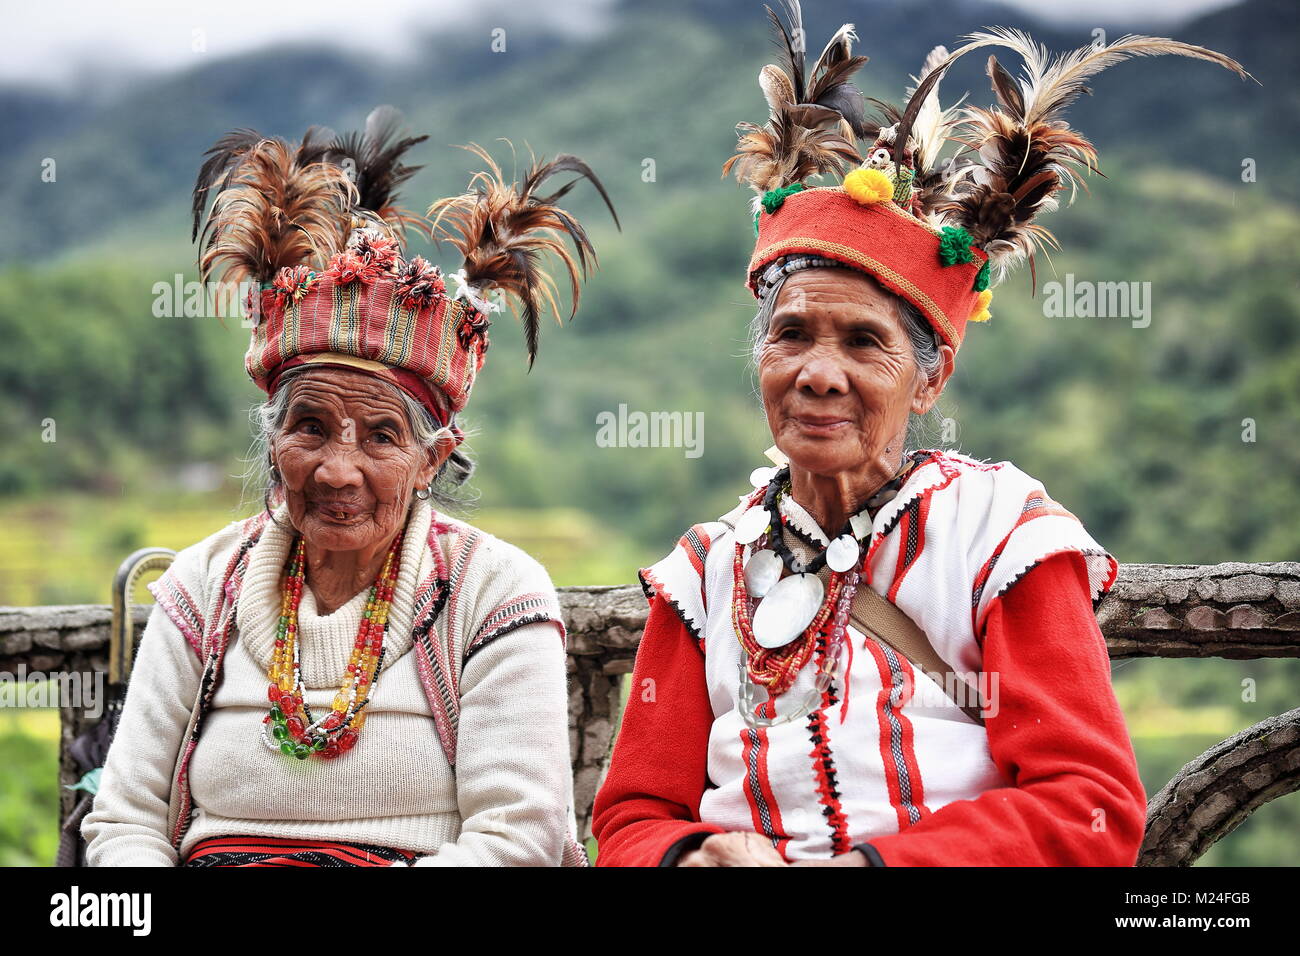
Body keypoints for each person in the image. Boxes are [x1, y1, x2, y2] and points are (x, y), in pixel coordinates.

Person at [592, 6, 1252, 866]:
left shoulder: (1000, 535)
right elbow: (634, 816)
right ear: (760, 361)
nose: (818, 373)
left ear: (930, 378)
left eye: (865, 343)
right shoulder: (707, 569)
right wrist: (691, 859)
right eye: (792, 336)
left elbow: (1088, 809)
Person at [82, 106, 617, 866]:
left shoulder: (493, 592)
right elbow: (125, 820)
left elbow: (516, 837)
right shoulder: (201, 586)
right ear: (272, 440)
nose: (338, 469)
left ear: (435, 458)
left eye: (381, 436)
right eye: (309, 429)